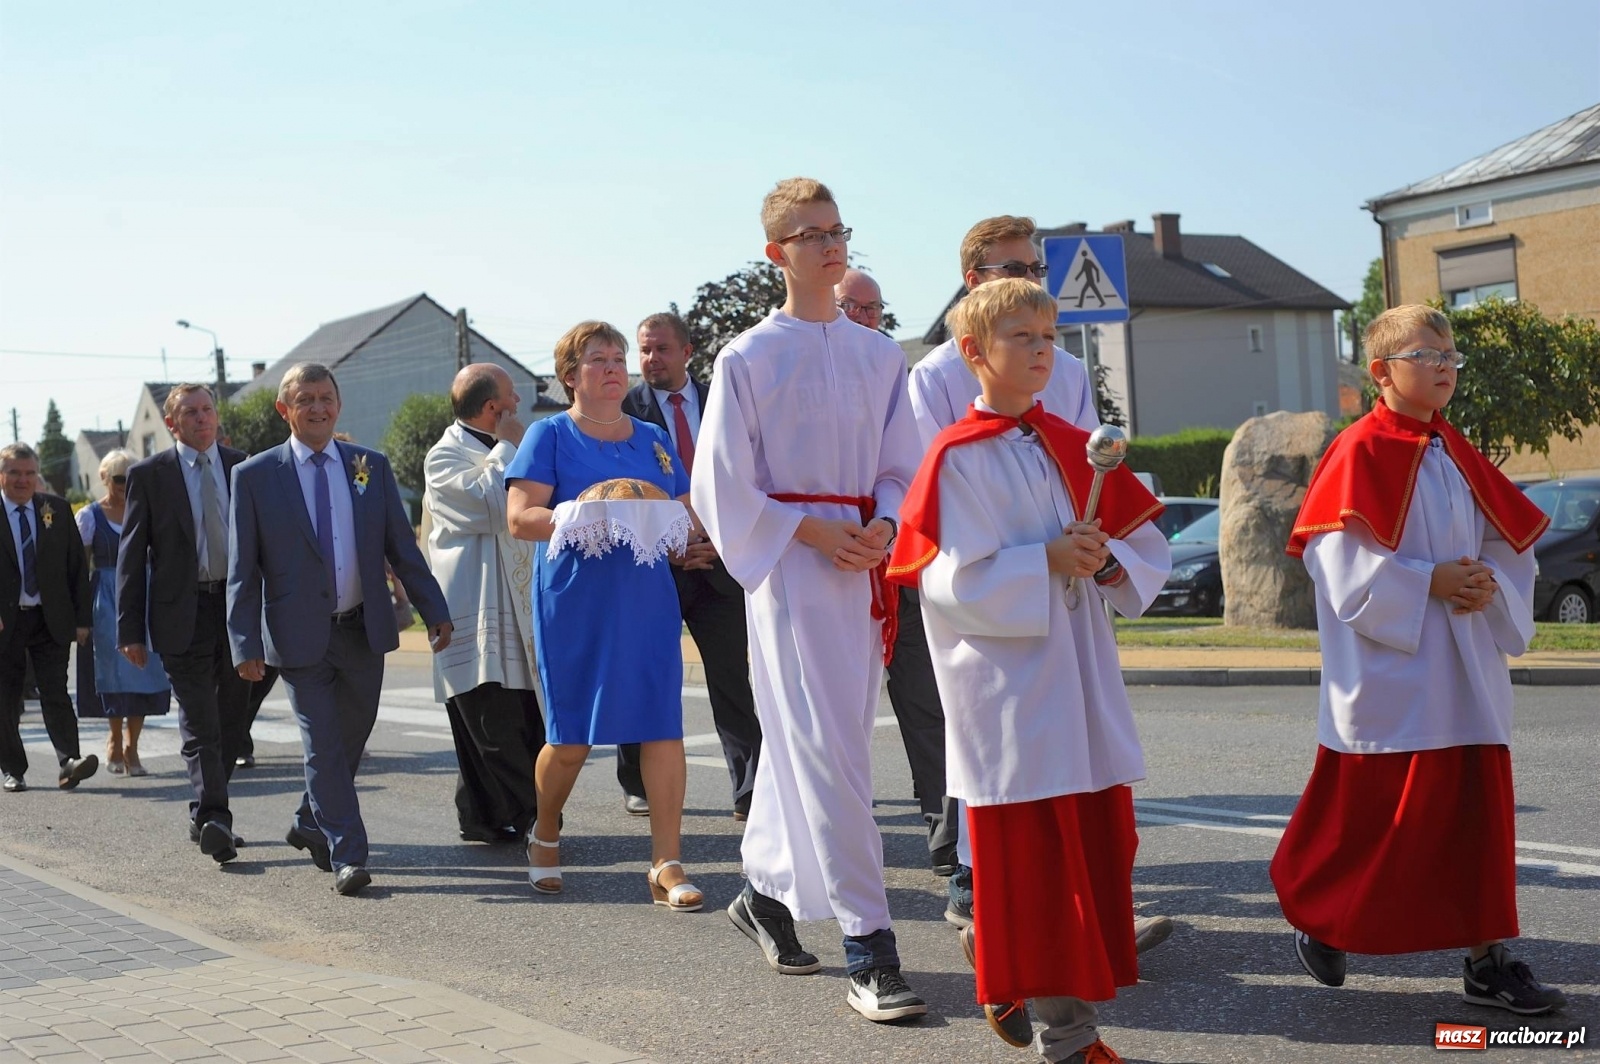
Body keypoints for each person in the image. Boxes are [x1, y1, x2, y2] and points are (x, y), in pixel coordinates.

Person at [889, 279, 1169, 1063]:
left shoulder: (1071, 441)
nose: (1044, 352)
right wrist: (1041, 561)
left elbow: (1139, 547)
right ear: (974, 354)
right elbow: (945, 581)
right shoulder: (954, 457)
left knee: (1091, 845)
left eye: (1050, 337)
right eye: (1024, 338)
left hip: (1078, 677)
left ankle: (1007, 962)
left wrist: (1107, 561)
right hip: (1010, 688)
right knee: (1039, 860)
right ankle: (1069, 1038)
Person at [1274, 305, 1567, 1015]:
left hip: (1465, 664)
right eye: (1428, 354)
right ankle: (1319, 915)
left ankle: (1486, 961)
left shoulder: (1455, 449)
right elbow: (1336, 560)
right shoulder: (1358, 449)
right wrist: (1426, 582)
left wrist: (1486, 585)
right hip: (1394, 672)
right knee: (1372, 819)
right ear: (1381, 372)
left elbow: (1505, 542)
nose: (1445, 366)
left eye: (1451, 356)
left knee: (1476, 818)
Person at [693, 177, 927, 1023]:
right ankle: (872, 946)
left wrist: (889, 523)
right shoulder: (748, 356)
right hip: (793, 573)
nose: (831, 245)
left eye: (838, 230)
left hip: (864, 566)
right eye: (810, 234)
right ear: (776, 254)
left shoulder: (878, 353)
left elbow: (906, 462)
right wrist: (812, 533)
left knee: (817, 750)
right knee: (834, 756)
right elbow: (719, 483)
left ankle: (763, 892)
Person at [227, 362, 452, 896]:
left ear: (339, 404)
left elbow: (401, 546)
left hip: (361, 630)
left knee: (351, 736)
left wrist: (434, 609)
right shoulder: (255, 476)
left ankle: (311, 820)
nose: (317, 407)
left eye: (325, 397)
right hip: (298, 636)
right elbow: (243, 569)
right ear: (285, 409)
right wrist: (244, 642)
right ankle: (347, 854)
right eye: (304, 399)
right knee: (323, 747)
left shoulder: (369, 466)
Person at [505, 321, 703, 912]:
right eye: (599, 359)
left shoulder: (652, 437)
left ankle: (666, 862)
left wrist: (684, 526)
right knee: (571, 738)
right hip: (575, 600)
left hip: (646, 598)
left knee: (662, 725)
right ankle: (545, 832)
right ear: (571, 375)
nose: (615, 367)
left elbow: (685, 500)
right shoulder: (549, 435)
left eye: (620, 358)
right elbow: (520, 517)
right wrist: (591, 512)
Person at [615, 311, 761, 823]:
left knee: (732, 681)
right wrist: (671, 543)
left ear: (687, 352)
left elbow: (742, 474)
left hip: (720, 563)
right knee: (643, 673)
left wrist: (723, 541)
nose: (650, 360)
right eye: (644, 350)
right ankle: (636, 781)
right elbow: (621, 494)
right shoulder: (623, 413)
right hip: (655, 566)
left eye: (661, 349)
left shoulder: (723, 399)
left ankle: (750, 788)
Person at [836, 268, 957, 878]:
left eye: (873, 309)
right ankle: (826, 841)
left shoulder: (897, 378)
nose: (862, 318)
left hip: (900, 569)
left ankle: (946, 836)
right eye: (848, 307)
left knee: (927, 704)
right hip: (828, 568)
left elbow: (912, 471)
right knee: (834, 713)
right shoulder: (804, 377)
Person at [119, 383, 251, 863]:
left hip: (237, 612)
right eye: (190, 413)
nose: (202, 419)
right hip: (182, 613)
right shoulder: (149, 476)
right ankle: (217, 817)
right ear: (171, 424)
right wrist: (129, 629)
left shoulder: (243, 466)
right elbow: (132, 555)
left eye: (207, 410)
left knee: (234, 720)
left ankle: (204, 813)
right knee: (200, 720)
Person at [426, 363, 546, 844]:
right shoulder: (443, 457)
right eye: (511, 397)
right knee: (489, 723)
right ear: (492, 408)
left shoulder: (509, 446)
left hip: (518, 603)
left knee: (521, 716)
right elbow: (490, 507)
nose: (517, 403)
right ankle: (539, 817)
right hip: (475, 608)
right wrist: (509, 446)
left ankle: (481, 815)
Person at [0, 443, 96, 794]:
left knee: (56, 690)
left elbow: (76, 568)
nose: (22, 480)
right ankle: (13, 768)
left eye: (29, 473)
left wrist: (82, 619)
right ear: (1, 475)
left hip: (49, 618)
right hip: (6, 622)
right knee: (6, 697)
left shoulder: (54, 509)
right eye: (14, 473)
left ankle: (69, 762)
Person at [75, 449, 170, 776]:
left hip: (144, 594)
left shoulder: (148, 511)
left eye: (131, 479)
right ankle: (114, 738)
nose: (125, 485)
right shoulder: (90, 516)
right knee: (113, 670)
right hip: (105, 594)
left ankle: (133, 745)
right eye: (118, 479)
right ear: (104, 479)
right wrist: (80, 617)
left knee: (145, 670)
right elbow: (77, 568)